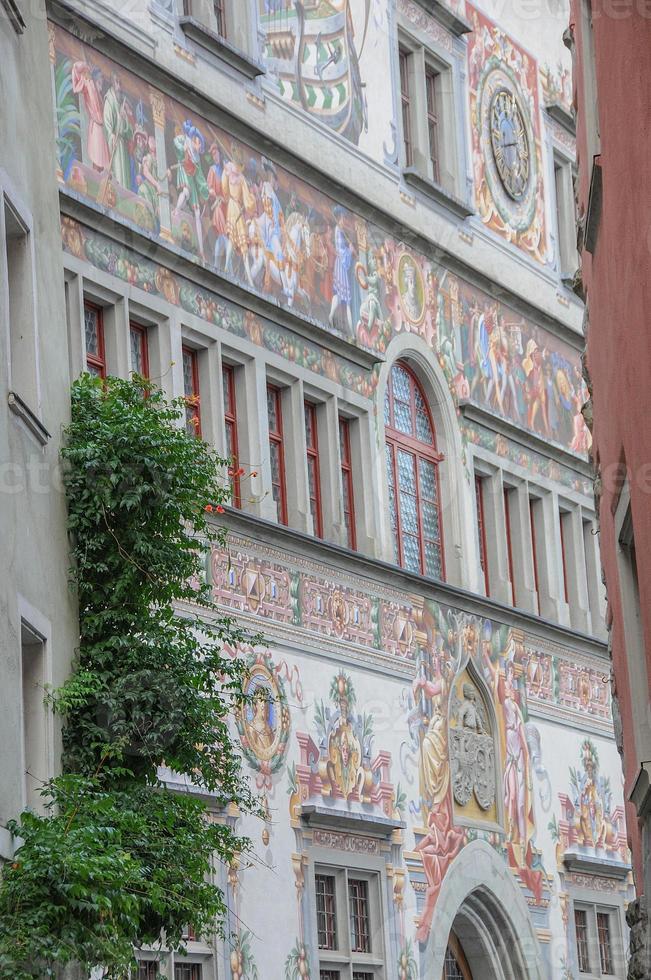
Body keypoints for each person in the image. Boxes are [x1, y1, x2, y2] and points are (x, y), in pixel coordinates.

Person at [172, 120, 210, 262]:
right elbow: (176, 142)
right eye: (199, 143)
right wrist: (184, 149)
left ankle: (201, 250)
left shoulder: (197, 159)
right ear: (195, 140)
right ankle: (176, 211)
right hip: (184, 171)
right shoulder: (184, 140)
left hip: (193, 180)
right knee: (186, 192)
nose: (199, 147)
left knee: (197, 213)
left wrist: (206, 191)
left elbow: (200, 179)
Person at [221, 141, 256, 287]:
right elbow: (248, 201)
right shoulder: (237, 177)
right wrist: (251, 201)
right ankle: (248, 279)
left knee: (235, 240)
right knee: (238, 242)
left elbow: (225, 190)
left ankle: (247, 277)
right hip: (236, 207)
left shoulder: (230, 174)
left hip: (233, 207)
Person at [71, 62, 110, 171]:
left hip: (101, 129)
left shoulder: (99, 95)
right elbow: (76, 68)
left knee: (102, 160)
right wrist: (86, 66)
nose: (102, 80)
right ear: (96, 78)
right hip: (96, 128)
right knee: (97, 158)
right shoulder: (90, 85)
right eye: (101, 77)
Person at [329, 205, 356, 337]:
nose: (345, 220)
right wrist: (349, 251)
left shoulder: (340, 230)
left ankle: (350, 330)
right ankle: (351, 331)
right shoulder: (338, 230)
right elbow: (340, 252)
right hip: (340, 265)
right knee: (344, 298)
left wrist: (349, 249)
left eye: (345, 217)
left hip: (340, 266)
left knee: (341, 297)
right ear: (340, 218)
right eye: (343, 218)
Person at [103, 72, 133, 188]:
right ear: (112, 83)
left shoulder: (121, 104)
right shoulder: (109, 101)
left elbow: (128, 132)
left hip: (122, 145)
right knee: (118, 171)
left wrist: (124, 119)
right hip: (114, 142)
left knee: (125, 175)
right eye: (117, 82)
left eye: (120, 83)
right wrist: (111, 135)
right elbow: (107, 122)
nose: (119, 85)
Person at [207, 142, 228, 268]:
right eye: (213, 155)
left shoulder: (225, 170)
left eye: (216, 153)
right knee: (222, 232)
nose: (215, 157)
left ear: (220, 153)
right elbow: (208, 188)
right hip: (218, 205)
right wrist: (215, 194)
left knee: (221, 237)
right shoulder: (212, 170)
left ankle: (216, 264)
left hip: (227, 206)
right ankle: (228, 265)